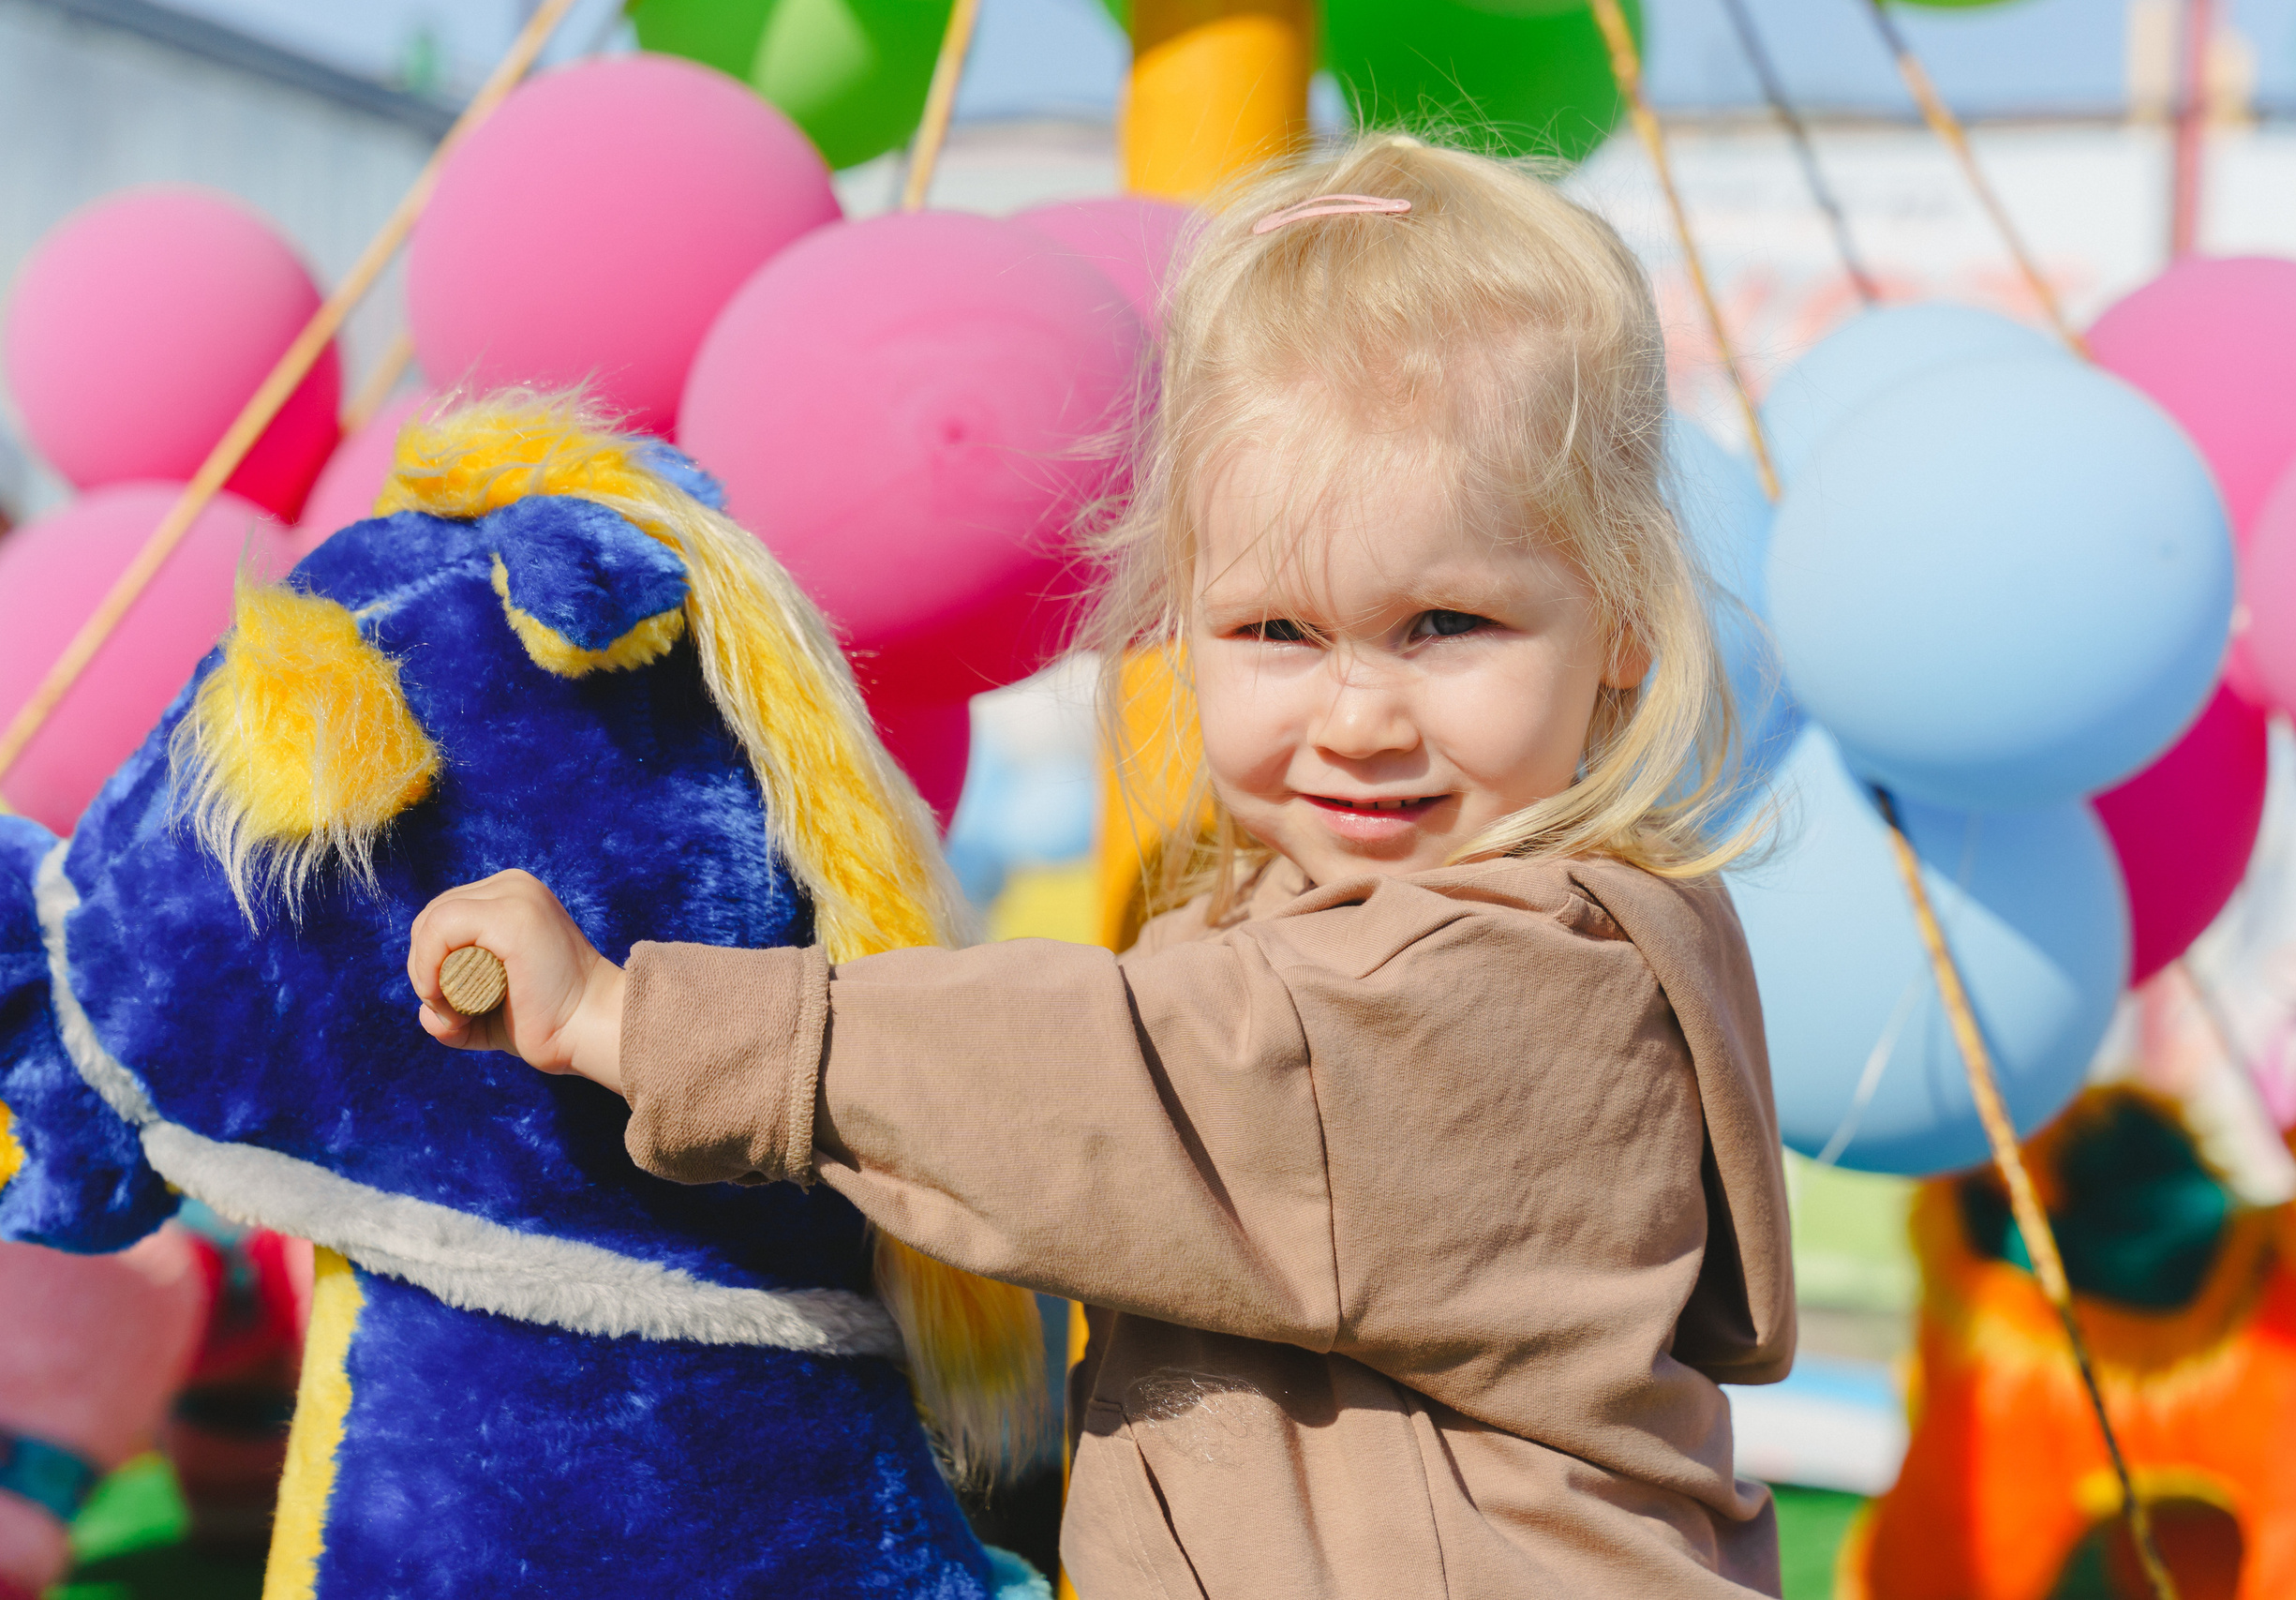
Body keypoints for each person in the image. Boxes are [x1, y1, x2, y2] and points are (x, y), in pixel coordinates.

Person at [406, 136, 1796, 1598]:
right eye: (1276, 632)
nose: (1360, 716)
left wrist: (644, 1027)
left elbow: (1123, 1086)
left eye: (1446, 623)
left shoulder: (1523, 991)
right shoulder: (1271, 913)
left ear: (1623, 623)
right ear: (1178, 623)